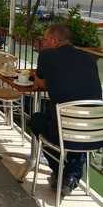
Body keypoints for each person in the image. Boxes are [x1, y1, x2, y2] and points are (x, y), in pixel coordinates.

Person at [31, 24, 102, 196]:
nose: (43, 43)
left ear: (54, 41)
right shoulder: (89, 58)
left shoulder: (47, 56)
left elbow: (39, 83)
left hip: (66, 132)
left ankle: (60, 171)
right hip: (95, 133)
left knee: (37, 119)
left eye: (44, 39)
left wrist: (36, 77)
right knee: (75, 124)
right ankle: (71, 176)